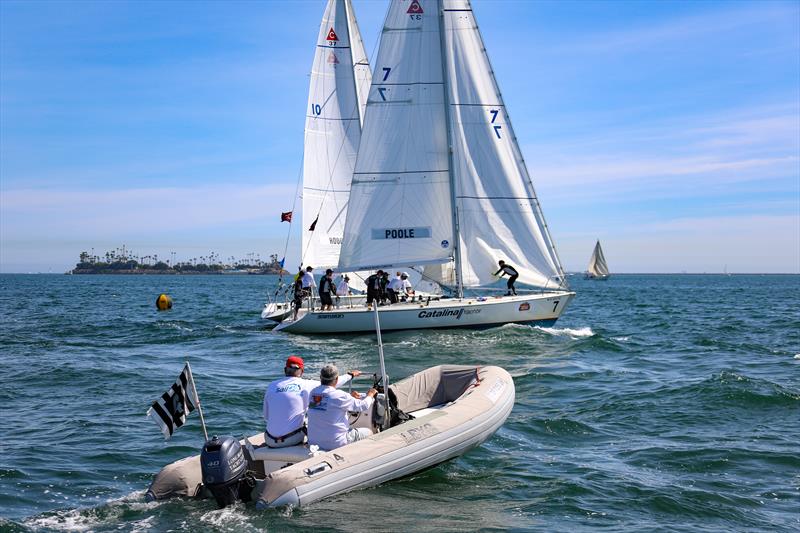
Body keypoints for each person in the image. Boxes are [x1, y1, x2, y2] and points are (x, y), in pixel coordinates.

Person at [262, 356, 362, 448]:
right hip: (292, 439)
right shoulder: (306, 384)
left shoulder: (271, 386)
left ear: (285, 370)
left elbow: (266, 417)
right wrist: (350, 375)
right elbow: (330, 382)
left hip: (269, 439)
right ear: (302, 371)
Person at [307, 364, 377, 451]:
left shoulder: (313, 393)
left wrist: (350, 396)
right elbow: (363, 405)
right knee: (369, 432)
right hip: (336, 443)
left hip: (314, 443)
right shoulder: (339, 396)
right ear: (336, 379)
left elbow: (328, 400)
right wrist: (370, 394)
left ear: (321, 377)